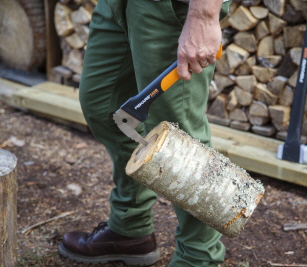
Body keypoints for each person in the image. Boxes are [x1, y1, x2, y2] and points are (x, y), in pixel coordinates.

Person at [58, 0, 232, 266]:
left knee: (180, 137)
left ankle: (199, 256)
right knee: (104, 106)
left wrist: (204, 15)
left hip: (173, 6)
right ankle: (130, 230)